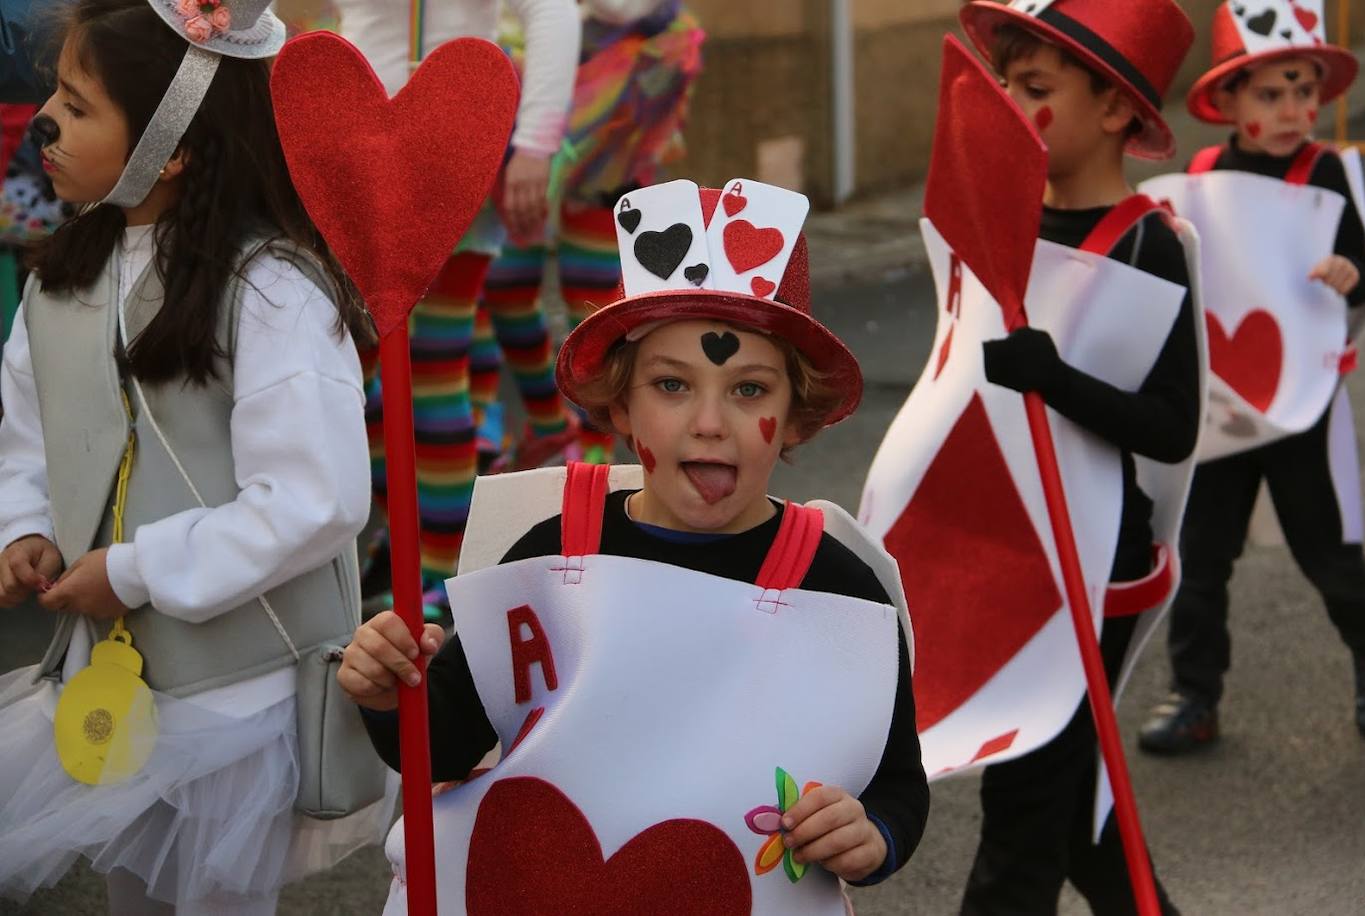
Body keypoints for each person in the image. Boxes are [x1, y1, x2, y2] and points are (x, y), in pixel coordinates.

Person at [339, 180, 928, 912]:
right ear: (620, 404)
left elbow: (898, 780)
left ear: (797, 415)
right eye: (672, 385)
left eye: (749, 391)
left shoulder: (838, 590)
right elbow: (442, 744)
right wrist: (389, 690)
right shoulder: (552, 558)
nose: (710, 422)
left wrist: (872, 833)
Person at [0, 1, 375, 912]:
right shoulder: (61, 276)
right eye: (55, 89)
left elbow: (313, 498)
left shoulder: (274, 289)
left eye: (79, 105)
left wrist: (133, 571)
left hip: (234, 693)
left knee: (212, 896)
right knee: (134, 887)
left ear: (172, 146)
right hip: (113, 674)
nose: (45, 117)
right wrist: (26, 525)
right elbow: (26, 427)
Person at [954, 1, 1199, 912]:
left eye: (1037, 88)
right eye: (1005, 86)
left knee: (1024, 812)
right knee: (1073, 816)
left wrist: (1054, 379)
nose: (1012, 105)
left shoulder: (1150, 243)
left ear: (1114, 110)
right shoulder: (998, 222)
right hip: (1011, 545)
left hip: (1095, 564)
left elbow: (1172, 425)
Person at [1138, 1, 1365, 753]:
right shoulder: (1203, 178)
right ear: (1231, 101)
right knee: (1201, 562)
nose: (1294, 109)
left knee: (1331, 557)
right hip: (1223, 408)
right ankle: (1194, 695)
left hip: (1304, 403)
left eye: (1304, 91)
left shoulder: (1330, 169)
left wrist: (1351, 271)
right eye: (1271, 94)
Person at [334, 0, 580, 620]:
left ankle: (445, 575)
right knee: (359, 379)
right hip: (355, 152)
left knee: (431, 371)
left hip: (451, 135)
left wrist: (534, 144)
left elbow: (553, 12)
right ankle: (410, 541)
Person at [473, 0, 706, 469]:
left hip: (618, 103)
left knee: (593, 301)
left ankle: (590, 439)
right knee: (503, 282)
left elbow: (622, 7)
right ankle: (546, 425)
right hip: (530, 88)